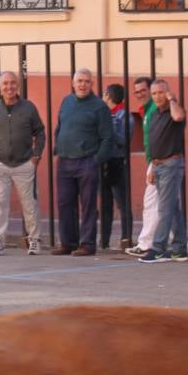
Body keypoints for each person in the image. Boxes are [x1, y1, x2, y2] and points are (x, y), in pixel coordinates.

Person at [0, 71, 45, 256]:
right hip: (0, 164)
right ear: (0, 87)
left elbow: (40, 132)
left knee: (29, 204)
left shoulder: (28, 107)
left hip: (25, 164)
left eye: (12, 83)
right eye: (5, 84)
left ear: (18, 86)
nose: (9, 87)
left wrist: (36, 156)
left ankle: (34, 241)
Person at [52, 68, 112, 256]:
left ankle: (87, 244)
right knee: (64, 203)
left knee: (87, 205)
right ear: (73, 83)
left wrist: (96, 160)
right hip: (64, 160)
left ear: (92, 84)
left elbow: (107, 137)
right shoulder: (67, 101)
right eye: (79, 81)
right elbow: (59, 126)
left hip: (87, 161)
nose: (82, 84)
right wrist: (58, 146)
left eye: (86, 81)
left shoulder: (99, 106)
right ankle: (68, 242)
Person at [139, 80, 188, 263]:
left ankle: (158, 248)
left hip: (171, 164)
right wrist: (152, 165)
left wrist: (173, 100)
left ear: (168, 93)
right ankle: (179, 248)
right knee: (173, 208)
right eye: (154, 94)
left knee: (165, 208)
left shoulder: (174, 110)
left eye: (161, 93)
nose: (157, 97)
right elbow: (153, 142)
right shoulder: (155, 115)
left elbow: (178, 118)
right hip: (158, 165)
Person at [125, 76, 158, 257]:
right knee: (167, 205)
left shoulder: (153, 110)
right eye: (136, 92)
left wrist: (153, 165)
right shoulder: (147, 110)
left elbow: (157, 139)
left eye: (143, 91)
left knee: (151, 203)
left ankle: (146, 243)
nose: (139, 94)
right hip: (156, 160)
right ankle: (179, 242)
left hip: (157, 161)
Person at [99, 83, 132, 250]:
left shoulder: (125, 116)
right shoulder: (102, 114)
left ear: (108, 96)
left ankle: (126, 238)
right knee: (105, 204)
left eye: (104, 94)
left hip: (117, 162)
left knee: (122, 202)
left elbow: (123, 140)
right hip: (102, 162)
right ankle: (103, 241)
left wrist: (108, 127)